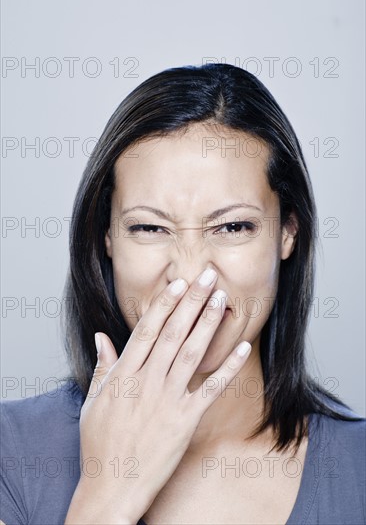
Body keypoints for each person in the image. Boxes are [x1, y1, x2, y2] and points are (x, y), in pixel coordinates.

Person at [1, 63, 365, 525]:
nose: (192, 274)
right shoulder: (9, 452)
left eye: (233, 226)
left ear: (288, 233)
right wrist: (108, 493)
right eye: (149, 227)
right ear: (106, 237)